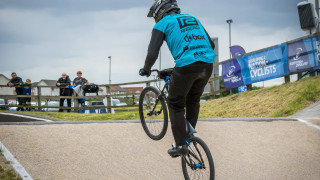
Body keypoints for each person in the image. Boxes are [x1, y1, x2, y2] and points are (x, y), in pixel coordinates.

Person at [139, 0, 216, 157]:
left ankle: (180, 144)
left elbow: (152, 53)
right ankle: (189, 137)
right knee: (193, 100)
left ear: (159, 12)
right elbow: (211, 45)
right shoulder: (193, 18)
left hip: (186, 65)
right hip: (207, 64)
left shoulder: (162, 24)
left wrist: (146, 69)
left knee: (175, 104)